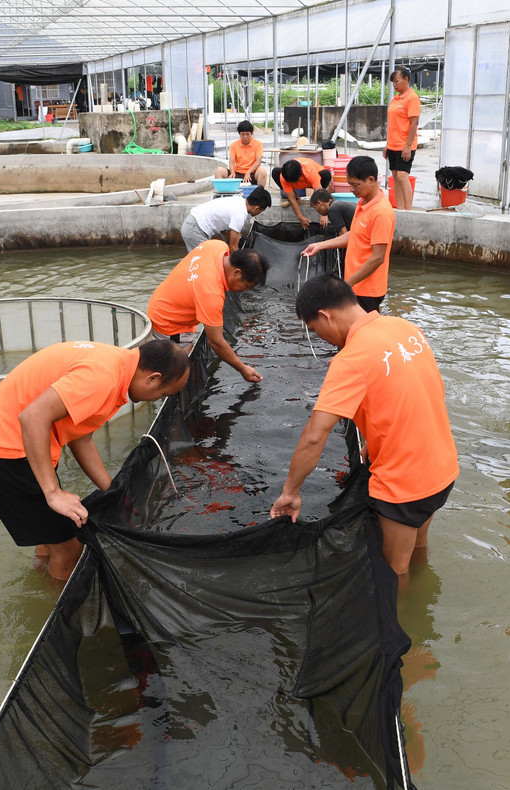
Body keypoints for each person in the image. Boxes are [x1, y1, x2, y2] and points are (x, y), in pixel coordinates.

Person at [270, 275, 458, 574]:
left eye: (315, 330)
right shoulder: (405, 328)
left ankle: (404, 616)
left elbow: (314, 436)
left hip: (404, 486)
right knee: (418, 547)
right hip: (442, 468)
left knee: (393, 572)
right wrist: (376, 439)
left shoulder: (350, 359)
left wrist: (291, 492)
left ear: (325, 316)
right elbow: (423, 392)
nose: (320, 337)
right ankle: (425, 594)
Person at [0, 339, 190, 580]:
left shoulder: (114, 363)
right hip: (8, 456)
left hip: (12, 449)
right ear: (152, 378)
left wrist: (113, 493)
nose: (157, 399)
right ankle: (64, 612)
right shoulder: (103, 377)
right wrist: (53, 492)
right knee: (71, 550)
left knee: (51, 543)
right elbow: (32, 417)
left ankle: (40, 583)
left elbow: (81, 438)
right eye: (163, 393)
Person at [147, 240, 269, 383]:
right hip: (168, 321)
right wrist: (242, 368)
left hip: (163, 298)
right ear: (236, 273)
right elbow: (216, 341)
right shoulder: (211, 293)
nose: (245, 290)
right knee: (180, 367)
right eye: (246, 285)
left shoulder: (216, 246)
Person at [300, 156, 395, 313]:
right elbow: (354, 235)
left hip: (367, 290)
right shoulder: (362, 203)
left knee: (363, 333)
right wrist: (319, 245)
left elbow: (378, 257)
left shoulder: (381, 212)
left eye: (355, 185)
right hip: (355, 285)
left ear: (371, 180)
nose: (351, 189)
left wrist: (347, 284)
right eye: (350, 184)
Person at [181, 187, 271, 251]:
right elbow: (233, 247)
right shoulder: (240, 214)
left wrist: (238, 238)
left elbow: (225, 230)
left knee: (213, 254)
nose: (259, 213)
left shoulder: (239, 200)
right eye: (261, 211)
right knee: (205, 261)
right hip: (195, 229)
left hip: (194, 223)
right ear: (256, 208)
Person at [386, 67, 421, 211]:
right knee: (395, 176)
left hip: (405, 145)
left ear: (406, 80)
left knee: (402, 176)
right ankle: (399, 208)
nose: (394, 85)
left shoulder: (412, 98)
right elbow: (393, 124)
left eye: (397, 81)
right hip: (393, 145)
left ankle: (409, 210)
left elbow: (414, 123)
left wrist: (407, 146)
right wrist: (387, 145)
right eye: (393, 82)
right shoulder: (396, 99)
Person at [271, 157, 333, 230]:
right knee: (275, 171)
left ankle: (298, 193)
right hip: (296, 185)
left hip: (315, 182)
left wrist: (324, 214)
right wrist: (300, 217)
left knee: (326, 174)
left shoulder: (311, 172)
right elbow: (292, 200)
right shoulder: (284, 177)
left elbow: (320, 194)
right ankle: (294, 194)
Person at [216, 120, 269, 187]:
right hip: (237, 173)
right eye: (242, 134)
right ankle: (223, 193)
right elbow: (232, 161)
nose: (245, 137)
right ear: (239, 134)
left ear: (251, 133)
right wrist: (232, 172)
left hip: (252, 173)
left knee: (263, 171)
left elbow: (258, 161)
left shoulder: (258, 144)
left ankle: (260, 194)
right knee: (219, 171)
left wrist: (248, 172)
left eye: (247, 134)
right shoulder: (234, 145)